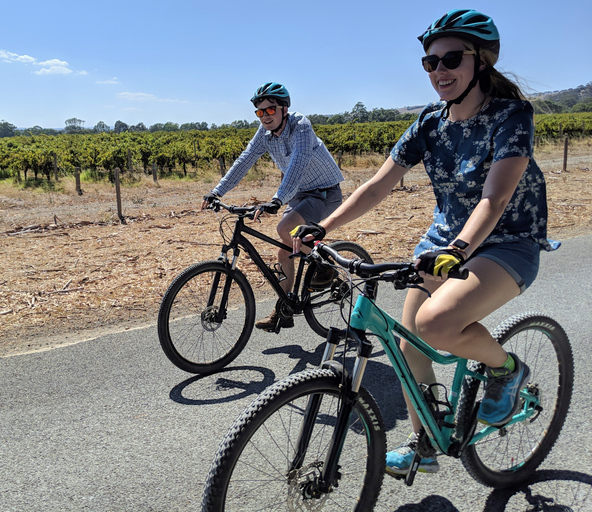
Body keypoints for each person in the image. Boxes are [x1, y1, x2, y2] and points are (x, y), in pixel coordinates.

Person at [292, 9, 559, 476]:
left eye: (451, 59)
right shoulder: (430, 122)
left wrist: (458, 250)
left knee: (435, 324)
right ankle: (424, 442)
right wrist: (325, 226)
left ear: (482, 62)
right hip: (443, 244)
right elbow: (377, 186)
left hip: (507, 242)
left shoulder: (510, 116)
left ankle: (507, 370)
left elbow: (495, 199)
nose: (439, 72)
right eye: (430, 63)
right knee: (407, 339)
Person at [201, 82, 345, 332]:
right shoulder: (264, 133)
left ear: (284, 109)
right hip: (300, 194)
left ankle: (326, 268)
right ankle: (284, 310)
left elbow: (298, 164)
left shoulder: (301, 126)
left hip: (325, 192)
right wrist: (217, 191)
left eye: (270, 110)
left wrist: (277, 200)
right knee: (284, 252)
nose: (265, 116)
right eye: (260, 111)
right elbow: (244, 160)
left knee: (285, 228)